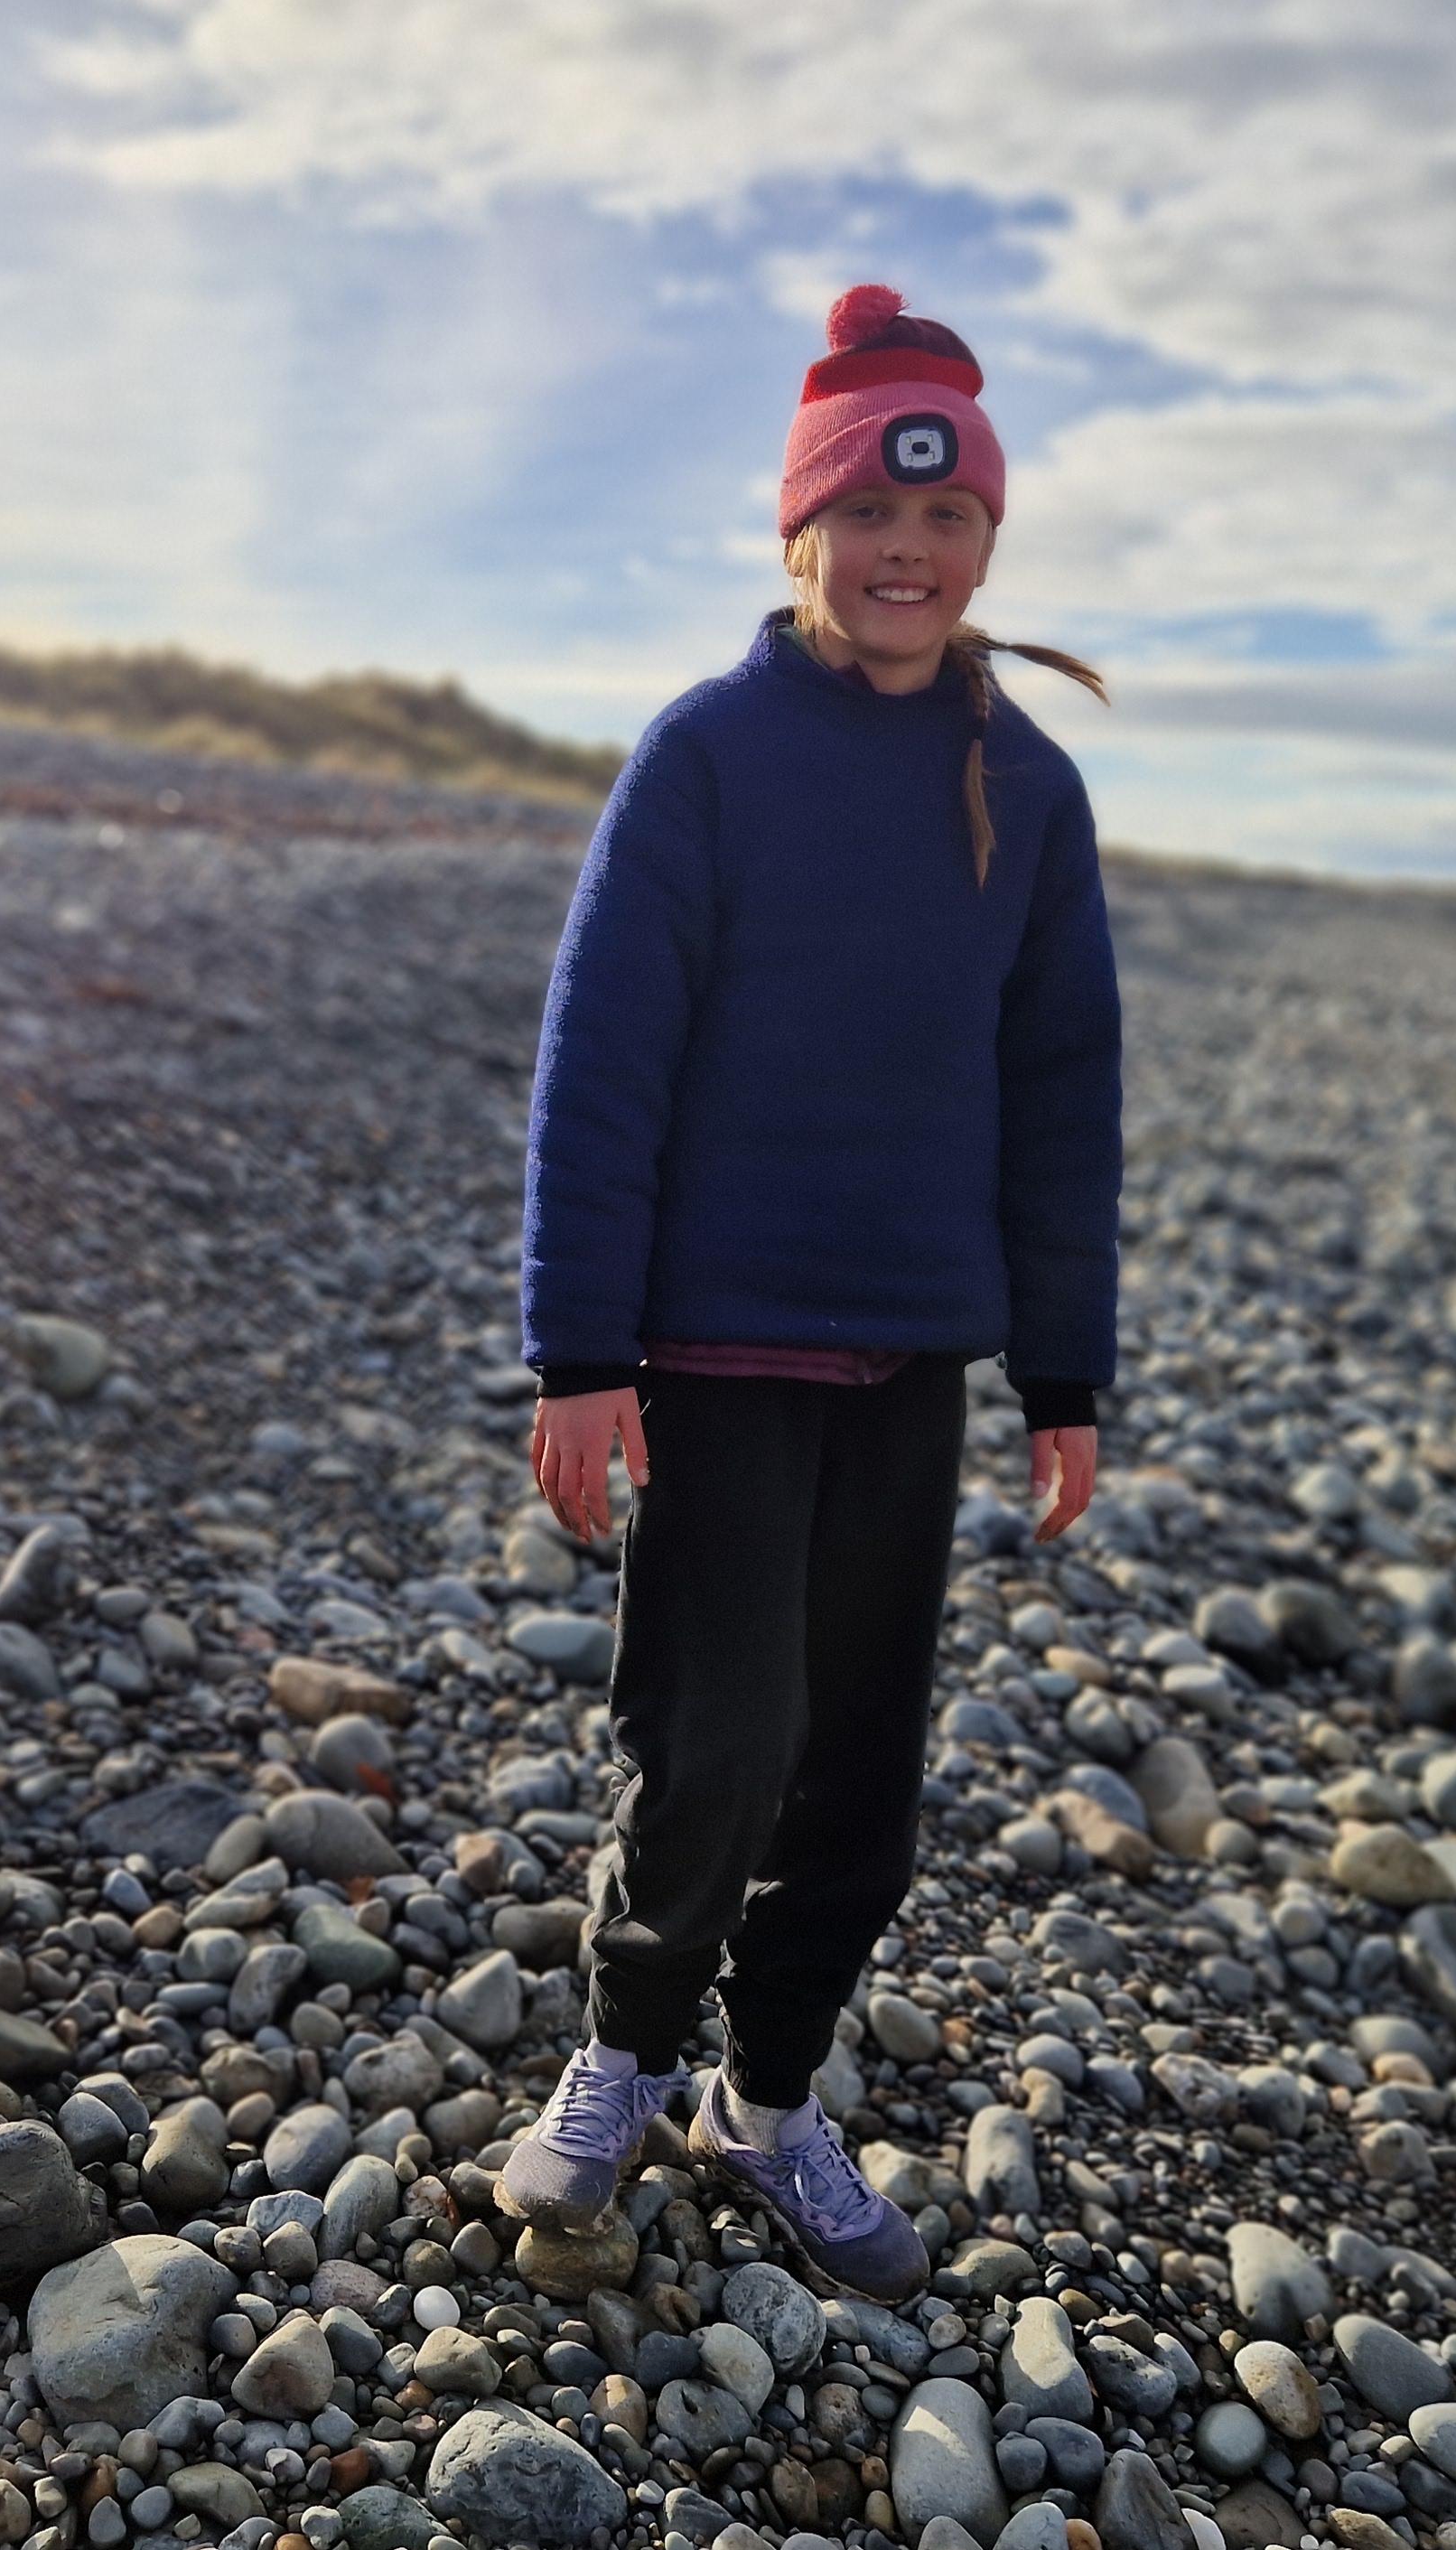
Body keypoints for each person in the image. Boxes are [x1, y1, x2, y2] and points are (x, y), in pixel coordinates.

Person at [494, 284, 1125, 2301]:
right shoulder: (709, 754)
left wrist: (1064, 1375)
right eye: (868, 515)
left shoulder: (1028, 788)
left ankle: (763, 2100)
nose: (906, 553)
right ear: (802, 534)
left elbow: (1062, 1093)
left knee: (860, 1769)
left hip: (909, 1356)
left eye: (945, 521)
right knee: (718, 1738)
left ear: (985, 543)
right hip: (714, 1347)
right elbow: (603, 1059)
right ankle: (619, 2055)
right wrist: (580, 1351)